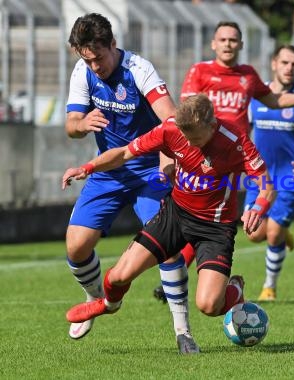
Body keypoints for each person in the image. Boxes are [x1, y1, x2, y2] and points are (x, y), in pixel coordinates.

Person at [62, 93, 275, 354]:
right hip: (175, 214)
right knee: (118, 276)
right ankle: (108, 304)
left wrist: (258, 207)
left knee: (209, 306)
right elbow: (124, 153)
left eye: (195, 138)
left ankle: (234, 290)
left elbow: (266, 183)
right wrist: (88, 168)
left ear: (212, 125)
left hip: (215, 228)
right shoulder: (172, 127)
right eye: (186, 138)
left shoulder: (235, 140)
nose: (189, 144)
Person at [155, 21, 294, 302]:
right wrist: (171, 153)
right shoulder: (200, 71)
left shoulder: (248, 76)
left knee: (215, 220)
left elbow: (274, 100)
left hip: (236, 161)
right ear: (214, 43)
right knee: (206, 217)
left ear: (240, 45)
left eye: (233, 40)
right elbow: (185, 117)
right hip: (200, 157)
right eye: (222, 39)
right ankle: (183, 275)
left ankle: (200, 277)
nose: (227, 44)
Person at [64, 13, 191, 351]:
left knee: (166, 241)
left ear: (113, 46)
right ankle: (99, 300)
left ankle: (183, 332)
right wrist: (82, 123)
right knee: (76, 246)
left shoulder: (139, 69)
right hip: (109, 170)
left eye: (99, 58)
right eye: (87, 59)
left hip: (149, 168)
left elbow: (172, 118)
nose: (94, 66)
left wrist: (168, 155)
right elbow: (71, 126)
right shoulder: (83, 72)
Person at [244, 45, 294, 302]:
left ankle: (269, 287)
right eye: (285, 63)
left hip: (290, 177)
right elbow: (243, 133)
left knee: (271, 234)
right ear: (274, 64)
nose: (289, 68)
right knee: (253, 232)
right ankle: (281, 232)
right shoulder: (257, 96)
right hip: (258, 177)